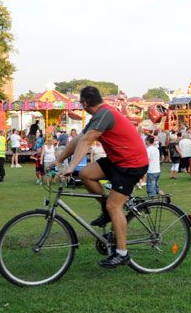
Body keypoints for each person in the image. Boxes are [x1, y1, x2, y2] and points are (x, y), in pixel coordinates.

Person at [54, 86, 149, 269]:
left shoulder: (106, 114)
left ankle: (122, 253)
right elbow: (78, 140)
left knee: (114, 205)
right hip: (117, 161)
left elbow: (87, 141)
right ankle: (107, 212)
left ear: (84, 102)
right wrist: (58, 160)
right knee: (85, 174)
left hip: (131, 164)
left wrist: (71, 166)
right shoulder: (99, 116)